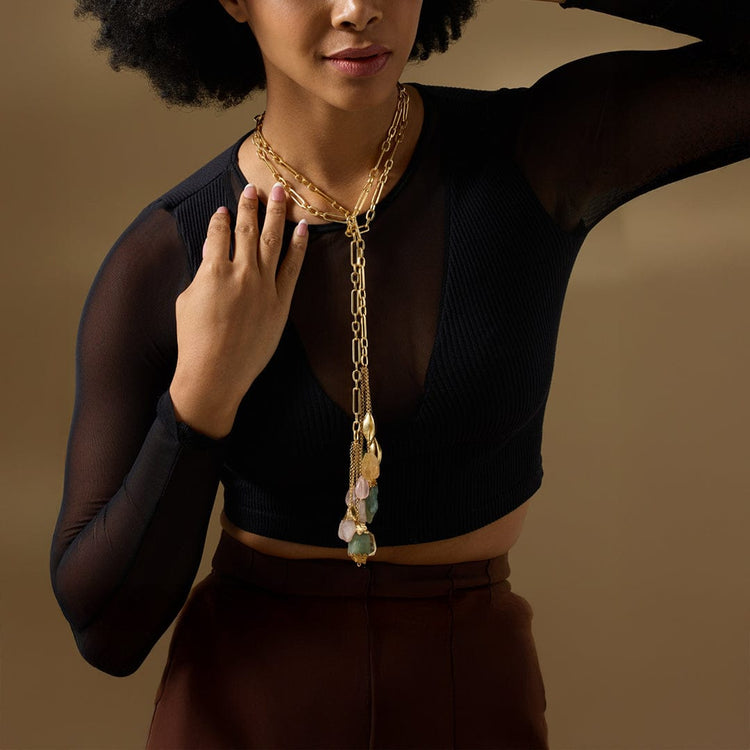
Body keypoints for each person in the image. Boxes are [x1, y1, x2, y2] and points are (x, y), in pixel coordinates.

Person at [50, 0, 749, 747]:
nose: (359, 9)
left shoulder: (537, 153)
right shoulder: (171, 256)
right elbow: (108, 634)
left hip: (473, 696)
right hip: (244, 708)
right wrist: (200, 398)